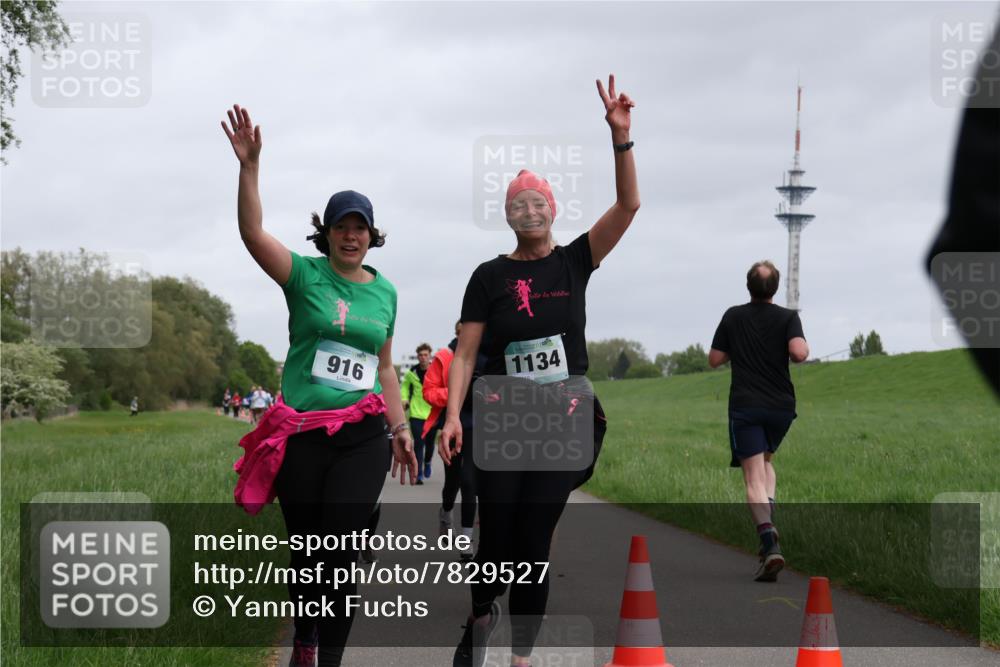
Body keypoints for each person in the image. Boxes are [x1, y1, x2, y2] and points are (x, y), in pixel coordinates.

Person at [441, 75, 638, 667]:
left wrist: (620, 139)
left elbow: (628, 206)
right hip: (502, 419)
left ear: (553, 210)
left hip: (564, 416)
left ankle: (522, 658)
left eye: (540, 202)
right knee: (497, 541)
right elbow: (468, 355)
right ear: (508, 216)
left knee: (532, 545)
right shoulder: (488, 277)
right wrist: (451, 414)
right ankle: (480, 615)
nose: (530, 210)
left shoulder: (576, 260)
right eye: (518, 204)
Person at [221, 104, 418, 667]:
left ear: (371, 236)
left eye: (359, 228)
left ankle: (326, 657)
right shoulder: (303, 276)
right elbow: (251, 232)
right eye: (341, 226)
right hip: (302, 436)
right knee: (308, 556)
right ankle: (305, 635)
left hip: (360, 435)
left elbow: (383, 366)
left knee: (340, 553)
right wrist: (249, 168)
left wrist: (399, 427)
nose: (350, 235)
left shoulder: (387, 293)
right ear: (326, 233)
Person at [708, 260, 809, 582]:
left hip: (746, 405)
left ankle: (769, 540)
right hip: (781, 406)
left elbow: (714, 359)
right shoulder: (788, 317)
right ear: (775, 288)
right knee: (766, 462)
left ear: (748, 286)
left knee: (752, 476)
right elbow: (799, 353)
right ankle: (768, 542)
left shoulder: (733, 316)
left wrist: (736, 346)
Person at [423, 321, 480, 559]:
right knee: (453, 482)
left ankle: (466, 537)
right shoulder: (444, 357)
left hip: (480, 427)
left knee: (470, 482)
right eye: (462, 332)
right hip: (453, 426)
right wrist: (457, 392)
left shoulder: (485, 354)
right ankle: (446, 513)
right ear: (458, 333)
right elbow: (429, 392)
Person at [400, 343, 434, 483]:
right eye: (420, 355)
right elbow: (404, 387)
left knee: (430, 444)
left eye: (426, 355)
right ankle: (418, 473)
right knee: (419, 444)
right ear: (417, 356)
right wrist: (404, 399)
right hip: (416, 413)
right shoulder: (411, 373)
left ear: (430, 355)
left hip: (433, 413)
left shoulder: (436, 371)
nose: (423, 357)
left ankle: (427, 462)